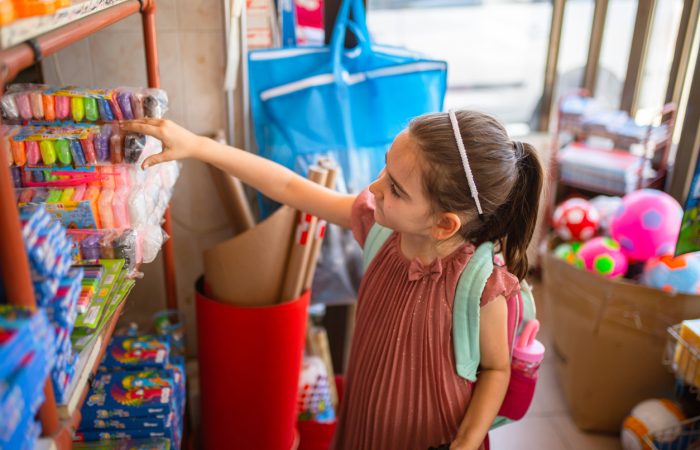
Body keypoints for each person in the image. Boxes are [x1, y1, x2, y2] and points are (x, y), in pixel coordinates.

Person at [121, 109, 544, 450]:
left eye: (395, 188)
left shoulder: (482, 286)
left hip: (431, 437)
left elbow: (496, 369)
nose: (375, 188)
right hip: (364, 422)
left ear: (443, 224)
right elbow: (288, 185)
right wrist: (199, 147)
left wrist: (467, 442)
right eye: (384, 171)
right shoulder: (381, 229)